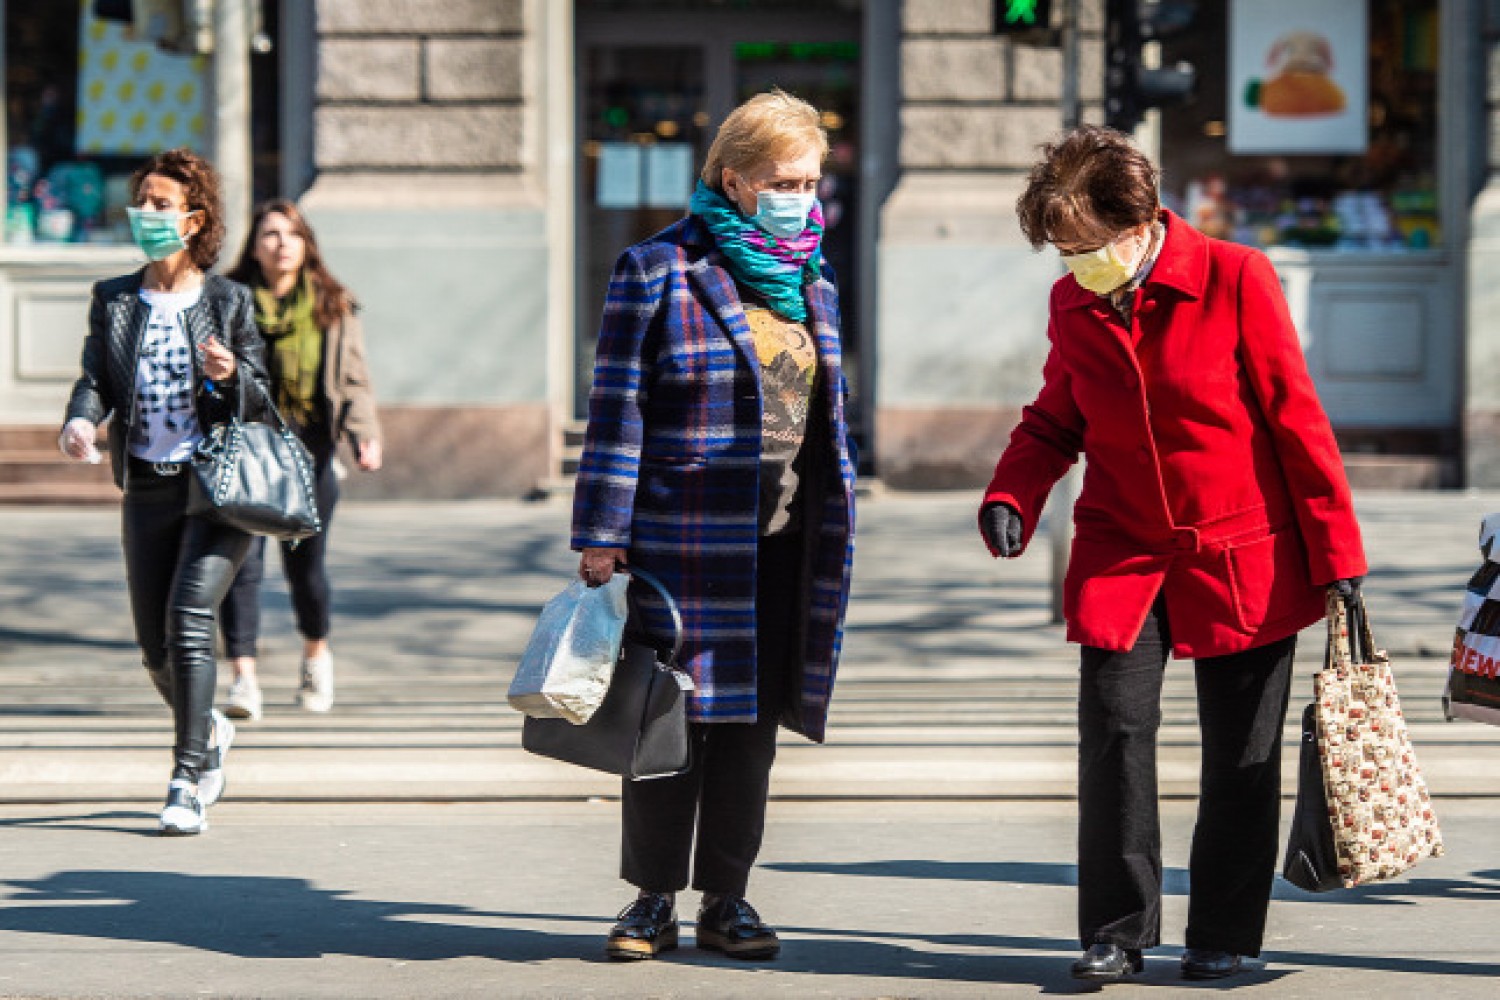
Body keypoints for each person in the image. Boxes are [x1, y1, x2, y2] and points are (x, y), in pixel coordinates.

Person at [976, 126, 1367, 982]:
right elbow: (1054, 418)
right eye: (1064, 251)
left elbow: (1296, 421)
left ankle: (1223, 932)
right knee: (1114, 734)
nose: (1076, 264)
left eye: (1085, 246)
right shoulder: (1073, 302)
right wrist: (1013, 490)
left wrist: (1337, 553)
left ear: (1139, 222)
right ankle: (1116, 930)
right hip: (1123, 552)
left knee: (1242, 754)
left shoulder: (1236, 277)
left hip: (1242, 552)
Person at [572, 90, 856, 962]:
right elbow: (617, 404)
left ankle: (728, 896)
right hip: (682, 535)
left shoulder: (814, 276)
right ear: (733, 179)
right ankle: (652, 896)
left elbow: (824, 414)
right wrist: (600, 530)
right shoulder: (656, 267)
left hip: (784, 538)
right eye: (780, 180)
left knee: (752, 727)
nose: (798, 197)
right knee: (669, 720)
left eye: (808, 181)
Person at [60, 148, 270, 836]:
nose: (145, 214)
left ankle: (187, 775)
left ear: (193, 219)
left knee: (187, 622)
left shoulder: (230, 302)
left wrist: (231, 372)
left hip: (218, 490)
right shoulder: (115, 299)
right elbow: (97, 377)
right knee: (154, 647)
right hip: (147, 486)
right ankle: (204, 726)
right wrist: (81, 420)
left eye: (160, 204)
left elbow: (264, 402)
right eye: (141, 201)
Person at [216, 199, 383, 720]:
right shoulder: (229, 301)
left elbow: (353, 377)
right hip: (244, 446)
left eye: (291, 234)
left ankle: (315, 655)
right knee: (240, 565)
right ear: (256, 246)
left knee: (304, 566)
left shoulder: (332, 303)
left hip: (308, 452)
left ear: (307, 243)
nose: (281, 243)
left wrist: (364, 434)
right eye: (269, 234)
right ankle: (243, 677)